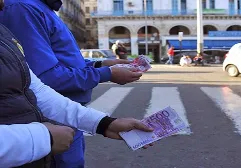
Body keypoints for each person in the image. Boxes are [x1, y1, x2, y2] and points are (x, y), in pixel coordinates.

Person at [0, 0, 143, 167]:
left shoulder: (30, 11)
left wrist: (104, 124)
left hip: (58, 124)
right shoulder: (21, 8)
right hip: (45, 128)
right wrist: (42, 138)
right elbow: (47, 76)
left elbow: (36, 87)